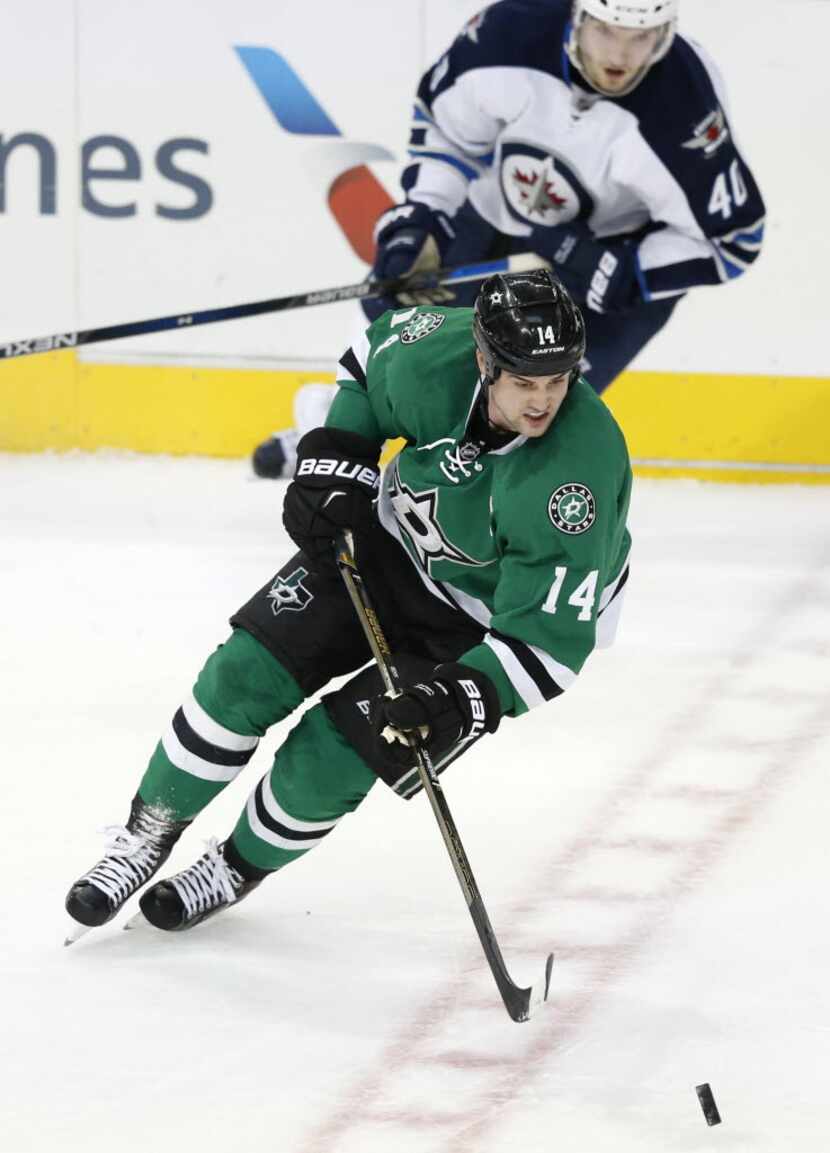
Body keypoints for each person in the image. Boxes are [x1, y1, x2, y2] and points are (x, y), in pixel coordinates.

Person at [65, 271, 632, 937]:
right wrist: (337, 457)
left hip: (480, 623)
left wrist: (465, 697)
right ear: (484, 360)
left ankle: (235, 866)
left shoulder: (576, 478)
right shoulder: (436, 357)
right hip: (387, 545)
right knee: (243, 675)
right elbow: (366, 368)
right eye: (525, 382)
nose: (543, 402)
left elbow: (547, 644)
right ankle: (146, 834)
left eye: (557, 381)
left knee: (338, 750)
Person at [251, 0, 765, 478]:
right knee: (395, 315)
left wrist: (629, 271)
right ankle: (331, 436)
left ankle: (442, 513)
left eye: (641, 36)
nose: (621, 55)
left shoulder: (686, 111)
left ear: (666, 31)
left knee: (520, 420)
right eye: (607, 30)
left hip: (612, 263)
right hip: (500, 211)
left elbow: (733, 241)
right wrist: (423, 217)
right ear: (578, 15)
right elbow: (447, 131)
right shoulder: (511, 33)